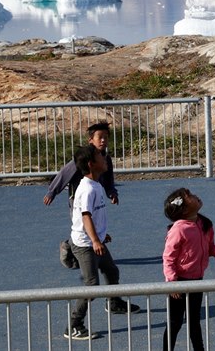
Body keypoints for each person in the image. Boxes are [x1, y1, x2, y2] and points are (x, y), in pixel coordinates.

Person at [65, 146, 140, 341]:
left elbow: (93, 217)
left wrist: (101, 235)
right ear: (91, 164)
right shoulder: (87, 189)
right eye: (100, 156)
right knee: (92, 285)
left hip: (94, 240)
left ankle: (114, 303)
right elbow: (86, 216)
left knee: (112, 271)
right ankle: (74, 325)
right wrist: (96, 239)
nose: (105, 158)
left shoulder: (96, 184)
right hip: (85, 245)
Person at [162, 188, 215, 351]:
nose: (196, 196)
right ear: (185, 209)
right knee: (175, 322)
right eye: (190, 196)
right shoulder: (179, 229)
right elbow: (168, 257)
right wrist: (171, 282)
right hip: (178, 282)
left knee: (194, 321)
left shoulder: (204, 224)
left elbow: (209, 248)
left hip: (197, 281)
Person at [45, 122, 119, 270]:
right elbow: (64, 174)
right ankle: (69, 247)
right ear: (90, 140)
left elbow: (109, 179)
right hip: (77, 199)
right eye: (100, 137)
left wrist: (112, 192)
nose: (103, 140)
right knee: (81, 225)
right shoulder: (83, 158)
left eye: (106, 137)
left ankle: (91, 245)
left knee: (94, 221)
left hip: (95, 197)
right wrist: (52, 191)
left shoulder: (105, 159)